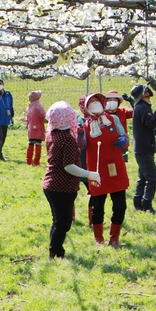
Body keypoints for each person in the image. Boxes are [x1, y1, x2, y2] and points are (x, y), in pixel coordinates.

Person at [43, 101, 101, 259]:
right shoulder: (67, 139)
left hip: (51, 185)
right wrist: (91, 174)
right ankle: (54, 251)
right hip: (62, 187)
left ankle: (56, 251)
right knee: (63, 222)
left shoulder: (52, 134)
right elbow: (69, 166)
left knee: (58, 221)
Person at [79, 92, 129, 246]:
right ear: (86, 107)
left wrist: (124, 141)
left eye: (97, 101)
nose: (95, 104)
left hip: (116, 168)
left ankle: (114, 239)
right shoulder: (85, 126)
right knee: (98, 206)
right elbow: (81, 147)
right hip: (97, 171)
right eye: (91, 102)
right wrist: (79, 135)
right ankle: (99, 239)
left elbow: (125, 136)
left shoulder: (113, 119)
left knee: (120, 205)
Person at [129, 83, 156, 214]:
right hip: (144, 149)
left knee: (143, 177)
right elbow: (150, 122)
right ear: (144, 94)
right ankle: (146, 204)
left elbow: (145, 128)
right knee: (152, 178)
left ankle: (138, 203)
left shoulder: (138, 107)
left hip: (141, 148)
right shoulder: (143, 107)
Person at [25, 90, 46, 166]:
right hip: (38, 128)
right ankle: (36, 162)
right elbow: (44, 114)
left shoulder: (29, 107)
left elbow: (27, 118)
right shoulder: (38, 106)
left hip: (31, 129)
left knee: (30, 143)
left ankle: (28, 161)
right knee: (38, 144)